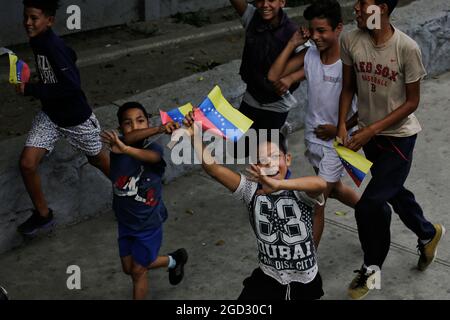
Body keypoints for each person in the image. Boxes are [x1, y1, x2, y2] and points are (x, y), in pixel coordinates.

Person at [336, 0, 445, 299]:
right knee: (392, 191)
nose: (356, 8)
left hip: (398, 138)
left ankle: (371, 270)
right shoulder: (350, 39)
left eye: (363, 3)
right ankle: (427, 232)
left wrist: (369, 129)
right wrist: (343, 124)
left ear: (382, 7)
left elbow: (412, 103)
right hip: (369, 137)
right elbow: (349, 87)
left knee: (370, 205)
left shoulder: (406, 48)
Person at [184, 111, 327, 300]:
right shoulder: (250, 190)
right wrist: (194, 135)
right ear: (254, 166)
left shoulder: (300, 190)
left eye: (275, 156)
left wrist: (278, 184)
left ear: (288, 159)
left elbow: (321, 185)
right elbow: (213, 169)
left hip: (305, 280)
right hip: (268, 276)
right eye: (261, 160)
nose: (269, 162)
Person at [268, 0, 360, 248]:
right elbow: (273, 76)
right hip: (314, 137)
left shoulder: (349, 62)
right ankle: (373, 212)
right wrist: (292, 43)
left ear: (338, 28)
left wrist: (340, 126)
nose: (316, 36)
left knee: (317, 201)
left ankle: (308, 265)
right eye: (313, 30)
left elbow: (368, 108)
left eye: (322, 31)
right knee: (336, 188)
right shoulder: (309, 53)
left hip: (338, 141)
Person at [16, 0, 110, 236]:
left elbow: (70, 86)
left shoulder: (52, 45)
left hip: (75, 117)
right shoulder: (38, 40)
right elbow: (71, 56)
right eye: (26, 17)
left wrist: (31, 90)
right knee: (27, 164)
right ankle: (43, 215)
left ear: (49, 20)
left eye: (34, 18)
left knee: (98, 160)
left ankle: (136, 193)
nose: (28, 23)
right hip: (51, 115)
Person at [101, 102, 188, 300]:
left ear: (148, 122)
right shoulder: (117, 146)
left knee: (138, 272)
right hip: (125, 222)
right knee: (128, 268)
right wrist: (158, 128)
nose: (135, 126)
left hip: (148, 223)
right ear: (120, 129)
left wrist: (128, 148)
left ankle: (172, 260)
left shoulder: (154, 149)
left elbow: (149, 157)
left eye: (140, 121)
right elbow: (128, 140)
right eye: (128, 123)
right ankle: (174, 260)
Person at [229, 0, 300, 130]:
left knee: (267, 147)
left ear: (282, 2)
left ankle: (281, 137)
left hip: (277, 103)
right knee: (240, 145)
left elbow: (312, 62)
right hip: (251, 97)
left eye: (271, 0)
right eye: (260, 0)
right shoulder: (252, 17)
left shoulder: (293, 32)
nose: (265, 5)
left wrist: (292, 78)